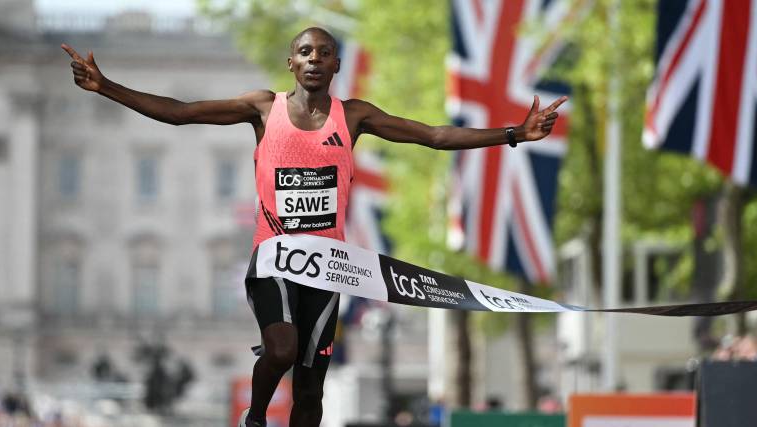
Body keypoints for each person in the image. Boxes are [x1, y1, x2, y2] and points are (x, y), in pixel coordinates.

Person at [62, 26, 566, 427]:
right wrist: (105, 86)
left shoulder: (354, 116)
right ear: (291, 62)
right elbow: (179, 113)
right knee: (280, 347)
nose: (314, 59)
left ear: (336, 65)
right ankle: (256, 417)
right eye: (305, 51)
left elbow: (433, 135)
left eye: (324, 52)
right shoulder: (263, 108)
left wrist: (514, 133)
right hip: (275, 259)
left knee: (310, 393)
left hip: (328, 269)